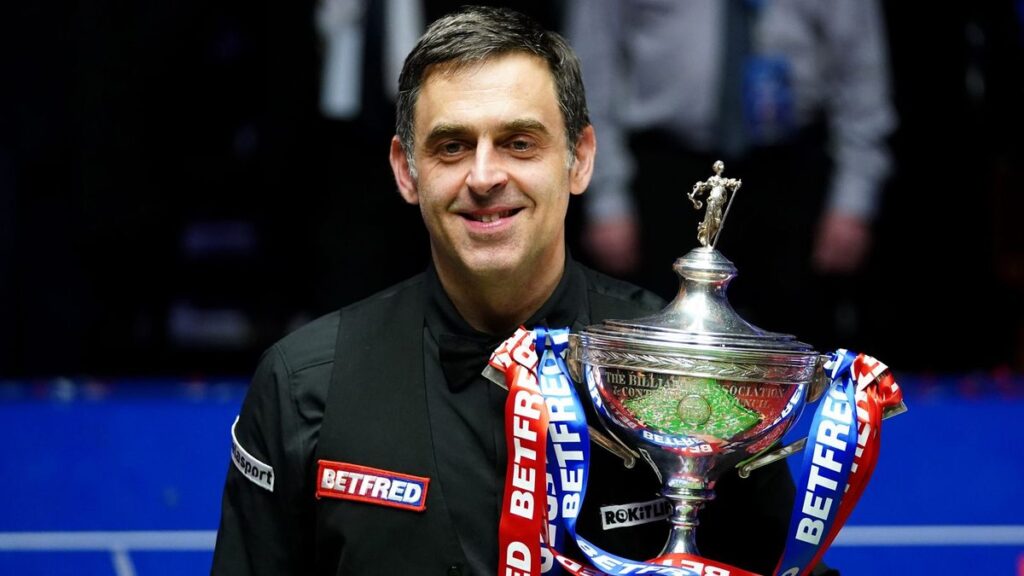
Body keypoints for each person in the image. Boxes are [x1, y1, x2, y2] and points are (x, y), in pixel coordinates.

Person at [212, 6, 832, 575]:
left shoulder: (693, 372)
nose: (485, 176)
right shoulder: (303, 383)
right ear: (407, 172)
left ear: (580, 158)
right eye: (452, 146)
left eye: (519, 143)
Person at [565, 0, 897, 353]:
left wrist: (853, 200)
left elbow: (861, 73)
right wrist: (607, 200)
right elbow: (594, 67)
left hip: (793, 170)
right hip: (666, 170)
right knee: (664, 345)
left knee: (795, 347)